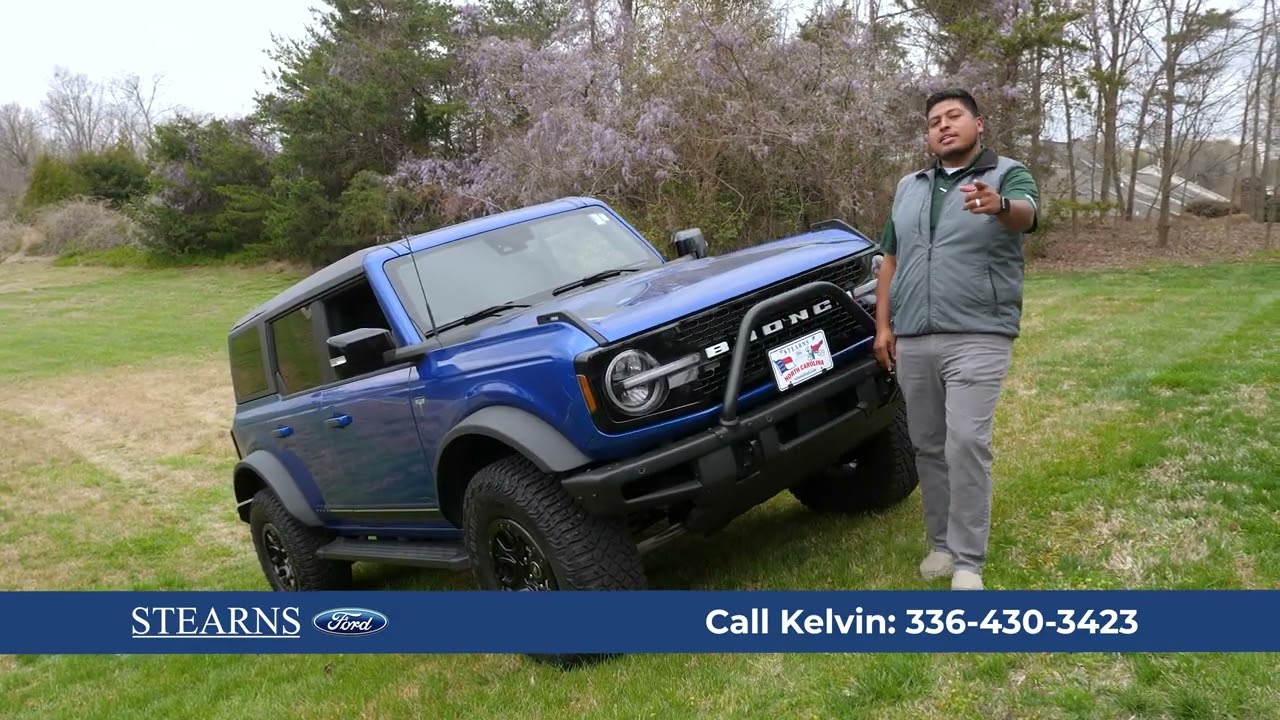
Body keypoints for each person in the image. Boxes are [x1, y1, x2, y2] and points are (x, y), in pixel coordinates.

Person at [872, 88, 1040, 591]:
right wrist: (884, 325)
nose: (943, 126)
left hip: (979, 332)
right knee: (927, 444)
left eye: (954, 117)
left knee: (966, 442)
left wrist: (1000, 206)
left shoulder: (1006, 174)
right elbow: (890, 260)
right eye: (934, 122)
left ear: (978, 123)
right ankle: (941, 544)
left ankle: (968, 560)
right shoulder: (909, 186)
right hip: (915, 336)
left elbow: (1027, 214)